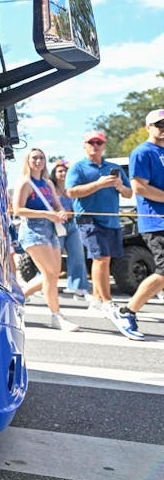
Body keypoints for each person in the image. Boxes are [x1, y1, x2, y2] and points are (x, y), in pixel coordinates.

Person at [65, 130, 139, 339]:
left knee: (106, 260)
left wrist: (118, 185)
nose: (95, 146)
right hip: (89, 218)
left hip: (111, 220)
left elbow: (128, 193)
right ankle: (106, 301)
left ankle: (97, 299)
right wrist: (98, 184)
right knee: (101, 258)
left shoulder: (112, 168)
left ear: (104, 145)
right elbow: (71, 192)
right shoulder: (78, 167)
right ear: (85, 145)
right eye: (91, 142)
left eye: (99, 142)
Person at [12, 148, 78, 331]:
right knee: (49, 274)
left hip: (51, 230)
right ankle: (56, 315)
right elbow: (18, 210)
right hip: (33, 231)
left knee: (52, 274)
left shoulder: (48, 183)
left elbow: (57, 205)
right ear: (27, 160)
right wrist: (47, 214)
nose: (38, 161)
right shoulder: (25, 183)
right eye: (34, 158)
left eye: (41, 157)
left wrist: (60, 212)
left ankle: (16, 299)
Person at [117, 109, 164, 332]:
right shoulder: (143, 152)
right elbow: (138, 187)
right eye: (159, 124)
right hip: (155, 222)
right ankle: (127, 311)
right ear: (148, 127)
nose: (163, 128)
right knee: (163, 271)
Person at [51, 159, 91, 300]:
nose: (63, 173)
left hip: (73, 224)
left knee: (78, 255)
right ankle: (46, 285)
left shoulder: (72, 188)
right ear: (54, 173)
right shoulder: (50, 188)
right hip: (56, 225)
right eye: (60, 171)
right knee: (53, 258)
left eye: (65, 171)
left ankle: (79, 287)